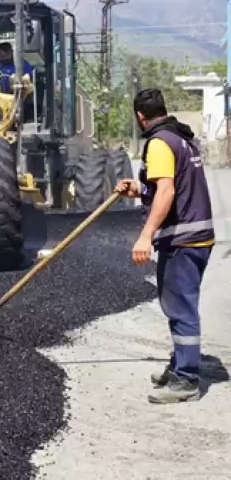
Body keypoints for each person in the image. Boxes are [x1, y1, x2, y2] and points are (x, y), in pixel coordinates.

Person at [114, 88, 214, 405]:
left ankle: (186, 379)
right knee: (176, 305)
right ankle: (180, 365)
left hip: (183, 238)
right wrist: (137, 188)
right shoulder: (180, 138)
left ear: (139, 117)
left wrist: (146, 236)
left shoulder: (159, 143)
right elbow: (163, 185)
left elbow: (167, 192)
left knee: (181, 307)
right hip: (195, 236)